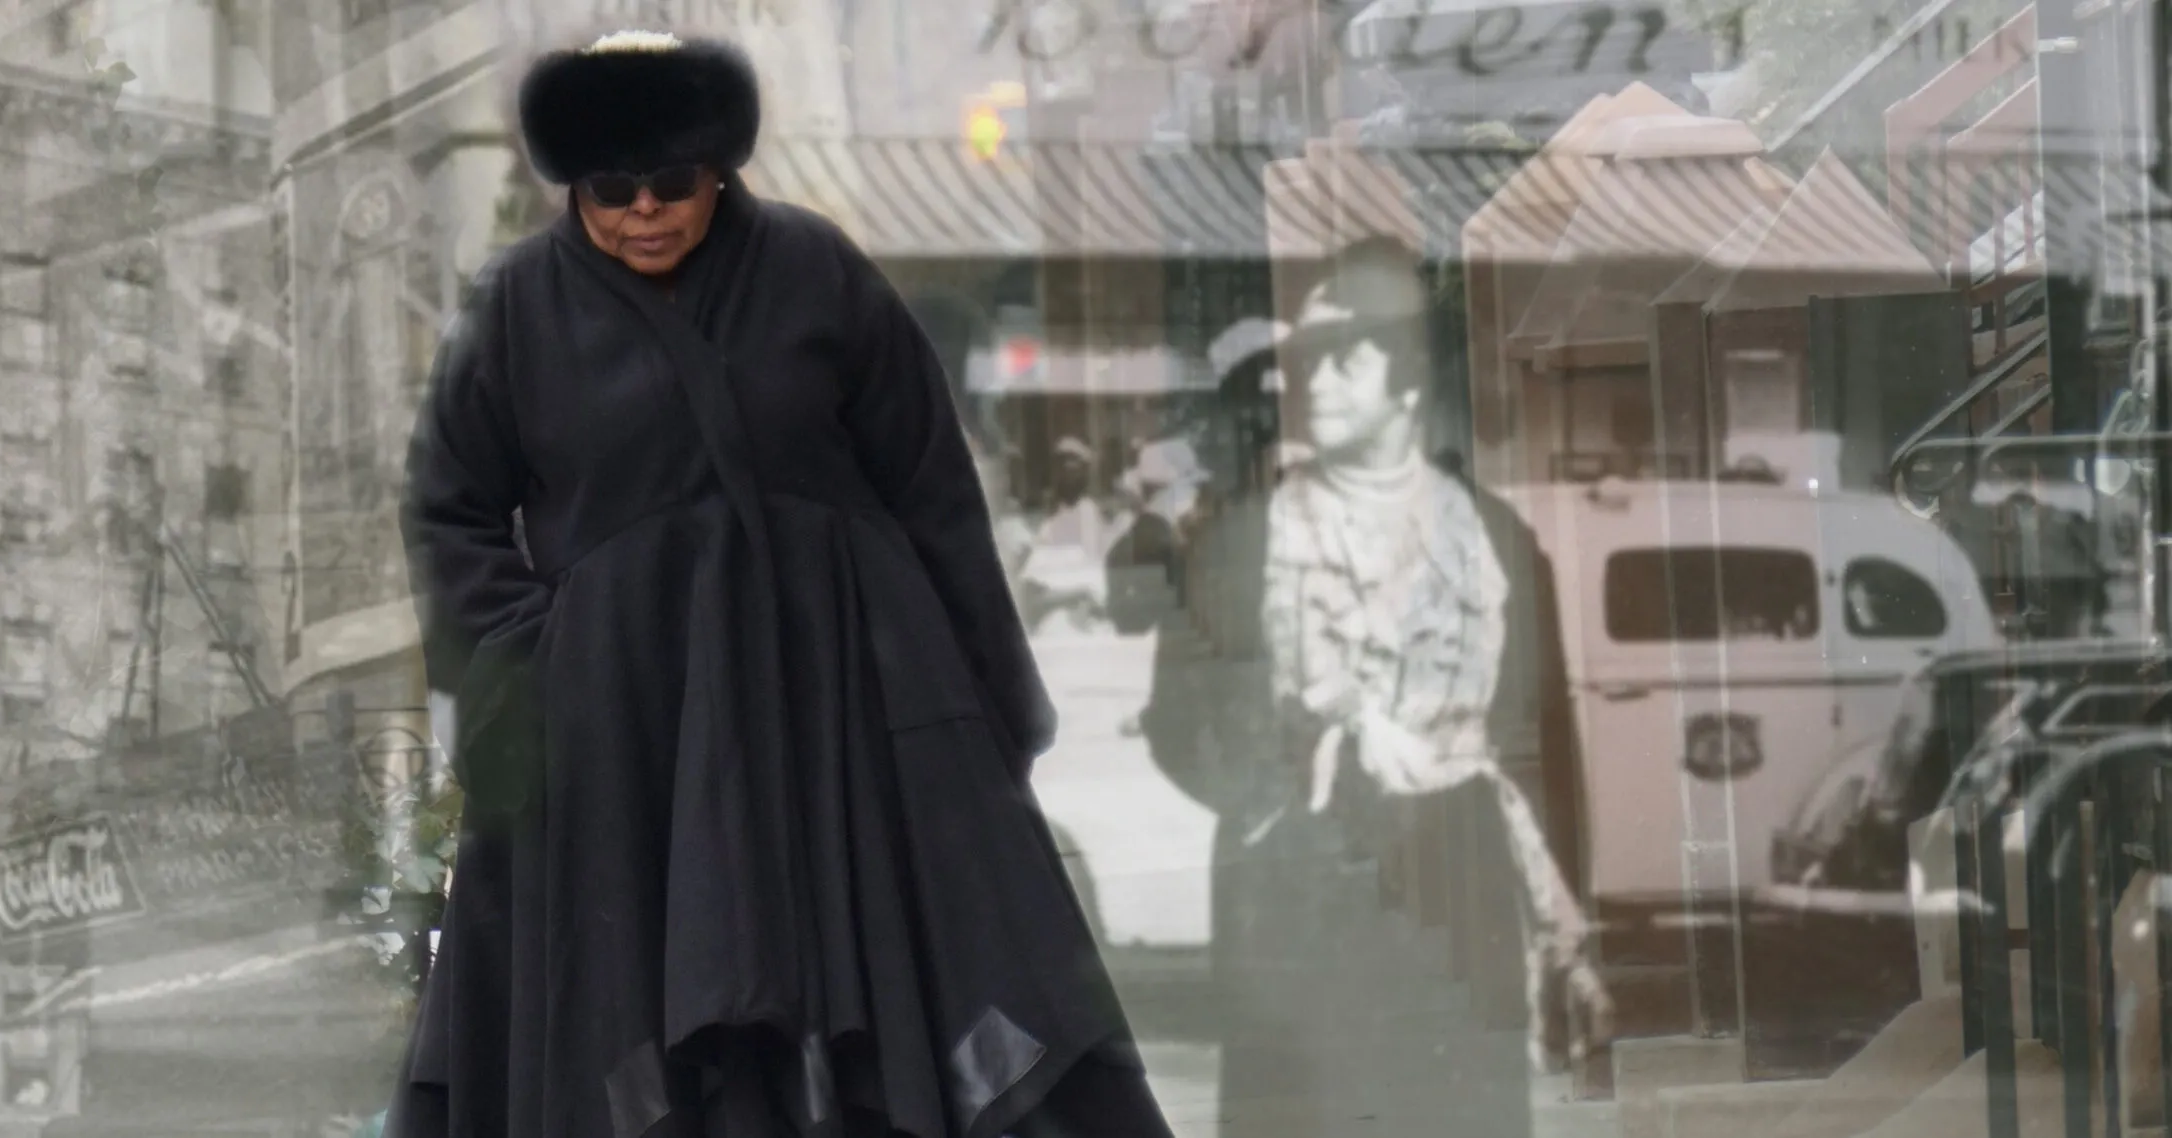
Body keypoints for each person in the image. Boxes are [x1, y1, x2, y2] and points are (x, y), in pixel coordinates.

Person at [387, 30, 1171, 1138]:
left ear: (720, 171)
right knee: (641, 1006)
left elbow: (929, 488)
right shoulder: (514, 305)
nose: (644, 211)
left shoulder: (817, 270)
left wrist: (983, 705)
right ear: (570, 190)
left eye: (673, 182)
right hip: (630, 725)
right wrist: (537, 661)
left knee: (899, 980)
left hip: (835, 702)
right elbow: (446, 507)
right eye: (611, 189)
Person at [1108, 240, 1607, 1136]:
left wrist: (1563, 934)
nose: (1318, 383)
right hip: (1300, 915)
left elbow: (1546, 747)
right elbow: (1182, 719)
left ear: (1409, 377)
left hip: (1461, 905)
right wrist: (1287, 793)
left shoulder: (1494, 542)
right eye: (1308, 362)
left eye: (1347, 358)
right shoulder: (1240, 545)